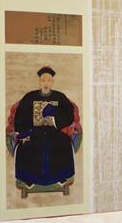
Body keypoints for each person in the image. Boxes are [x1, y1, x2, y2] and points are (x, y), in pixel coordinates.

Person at [6, 66, 81, 195]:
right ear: (39, 82)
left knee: (63, 144)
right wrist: (25, 133)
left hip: (54, 131)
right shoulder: (29, 97)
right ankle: (29, 178)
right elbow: (20, 117)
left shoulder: (60, 97)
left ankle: (60, 176)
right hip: (33, 132)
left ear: (52, 82)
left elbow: (68, 116)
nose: (46, 83)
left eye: (49, 80)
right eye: (43, 80)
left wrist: (55, 114)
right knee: (26, 147)